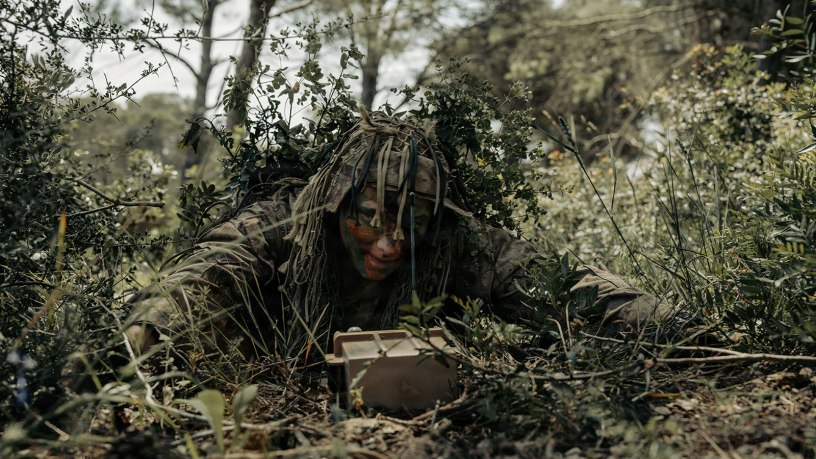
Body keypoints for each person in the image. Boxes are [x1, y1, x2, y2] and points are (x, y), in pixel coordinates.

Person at [125, 111, 670, 363]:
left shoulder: (458, 242)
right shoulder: (282, 222)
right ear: (334, 207)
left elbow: (560, 287)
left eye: (411, 226)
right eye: (369, 219)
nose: (389, 246)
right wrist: (128, 346)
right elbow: (201, 278)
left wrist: (667, 326)